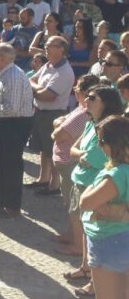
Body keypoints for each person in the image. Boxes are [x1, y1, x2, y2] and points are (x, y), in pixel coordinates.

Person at [66, 88, 123, 295]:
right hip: (82, 180)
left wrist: (83, 158)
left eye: (92, 98)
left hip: (110, 235)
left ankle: (92, 281)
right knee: (84, 226)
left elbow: (94, 160)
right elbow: (73, 150)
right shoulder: (91, 121)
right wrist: (82, 156)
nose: (86, 100)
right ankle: (85, 268)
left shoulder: (110, 128)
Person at [0, 43, 35, 218]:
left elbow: (11, 109)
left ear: (3, 59)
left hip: (15, 123)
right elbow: (0, 99)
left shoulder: (13, 76)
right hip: (4, 122)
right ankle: (0, 200)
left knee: (11, 165)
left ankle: (12, 206)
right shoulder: (1, 73)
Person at [78, 116, 129, 299]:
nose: (99, 146)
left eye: (101, 141)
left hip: (111, 240)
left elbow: (86, 202)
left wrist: (93, 184)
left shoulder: (117, 173)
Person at [50, 74, 100, 257]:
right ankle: (71, 236)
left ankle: (78, 246)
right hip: (67, 163)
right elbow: (59, 123)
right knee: (69, 203)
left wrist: (58, 125)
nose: (75, 92)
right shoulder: (81, 110)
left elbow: (58, 135)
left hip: (71, 165)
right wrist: (58, 123)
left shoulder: (83, 114)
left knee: (75, 207)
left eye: (78, 89)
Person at [29, 35, 76, 195]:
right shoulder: (49, 65)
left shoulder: (64, 71)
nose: (45, 48)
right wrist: (38, 90)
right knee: (43, 149)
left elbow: (48, 96)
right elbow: (32, 79)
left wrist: (36, 90)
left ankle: (54, 185)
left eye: (50, 45)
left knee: (53, 149)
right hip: (41, 112)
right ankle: (43, 178)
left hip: (54, 114)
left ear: (61, 49)